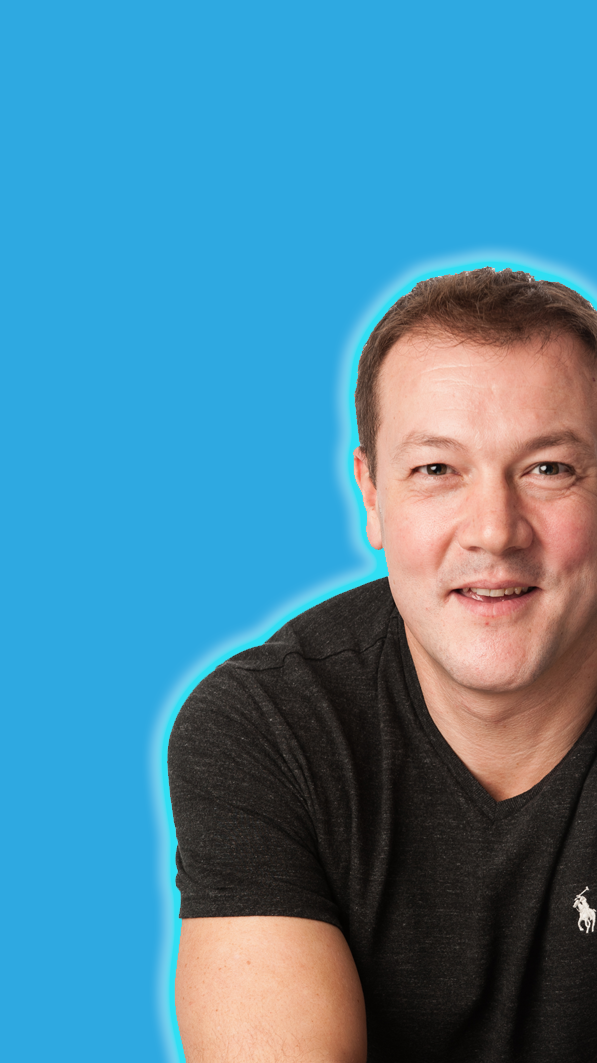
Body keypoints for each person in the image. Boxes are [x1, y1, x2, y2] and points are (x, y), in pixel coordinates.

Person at [168, 268, 597, 1062]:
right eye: (437, 470)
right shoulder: (270, 730)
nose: (494, 531)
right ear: (370, 493)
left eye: (548, 469)